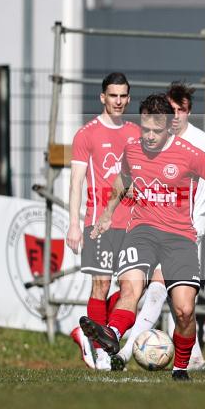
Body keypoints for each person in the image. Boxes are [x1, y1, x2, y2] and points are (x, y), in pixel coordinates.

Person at [78, 93, 205, 381]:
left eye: (156, 131)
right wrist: (108, 213)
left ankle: (181, 367)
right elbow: (123, 179)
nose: (149, 136)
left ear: (170, 126)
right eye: (145, 129)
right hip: (141, 232)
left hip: (179, 238)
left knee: (184, 310)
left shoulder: (190, 153)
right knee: (130, 289)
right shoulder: (132, 149)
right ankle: (113, 334)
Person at [114, 82, 205, 371]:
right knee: (161, 295)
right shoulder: (150, 141)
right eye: (171, 109)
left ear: (188, 112)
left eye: (181, 110)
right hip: (153, 227)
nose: (176, 115)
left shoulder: (202, 143)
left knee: (166, 294)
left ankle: (127, 351)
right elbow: (132, 179)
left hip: (188, 227)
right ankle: (193, 357)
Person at [66, 72, 139, 371]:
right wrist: (74, 223)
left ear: (128, 99)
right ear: (102, 97)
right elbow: (76, 182)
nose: (118, 101)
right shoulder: (87, 134)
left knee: (133, 289)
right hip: (100, 224)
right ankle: (99, 353)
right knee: (101, 285)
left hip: (134, 224)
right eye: (113, 95)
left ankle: (99, 337)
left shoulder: (136, 132)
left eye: (122, 96)